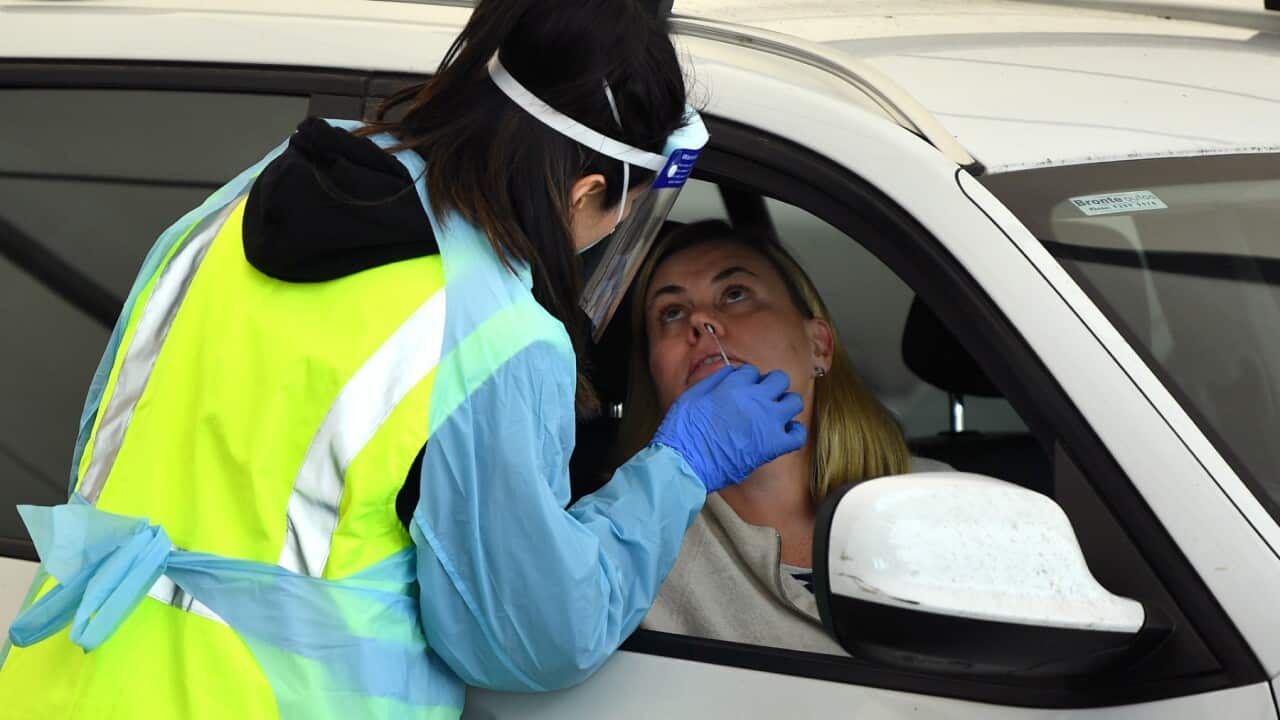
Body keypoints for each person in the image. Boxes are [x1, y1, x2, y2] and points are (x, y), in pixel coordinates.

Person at [0, 3, 808, 718]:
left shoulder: (239, 205)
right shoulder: (492, 332)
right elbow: (529, 636)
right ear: (579, 191)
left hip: (59, 682)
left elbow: (107, 441)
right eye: (619, 213)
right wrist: (677, 466)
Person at [613, 220, 950, 654]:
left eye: (735, 294)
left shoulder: (939, 504)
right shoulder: (629, 536)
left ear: (819, 346)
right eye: (671, 313)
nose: (699, 320)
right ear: (655, 376)